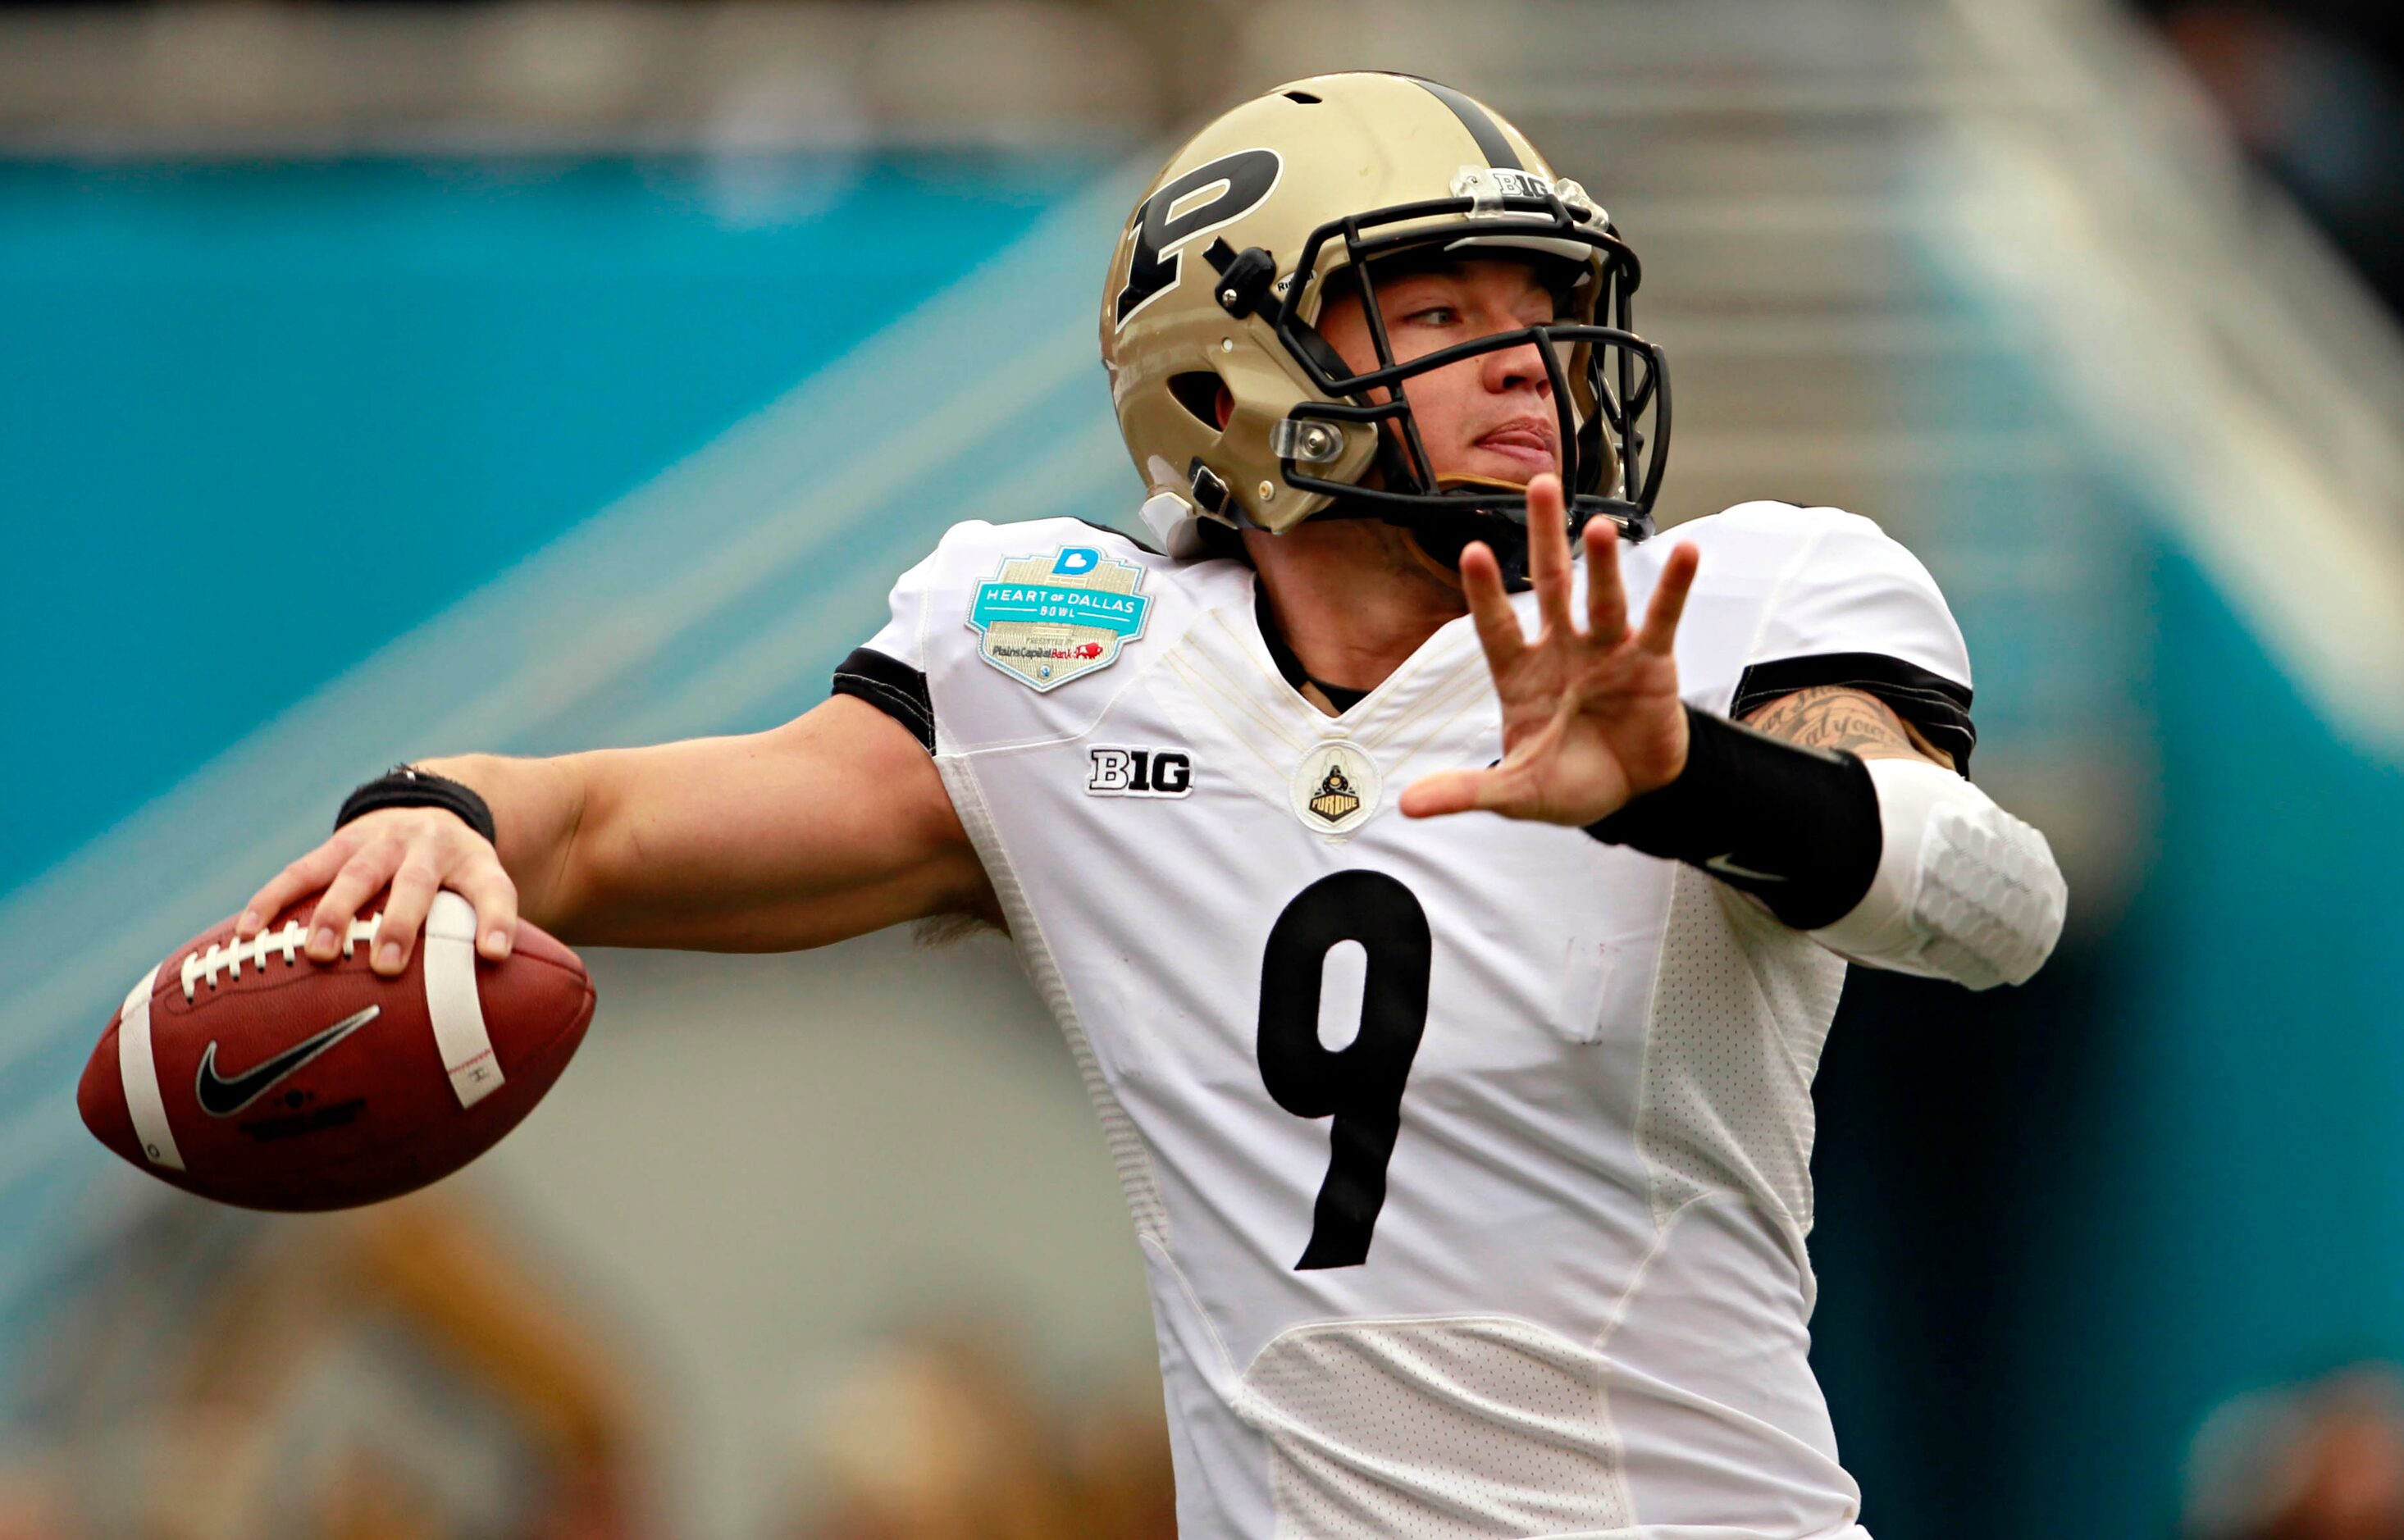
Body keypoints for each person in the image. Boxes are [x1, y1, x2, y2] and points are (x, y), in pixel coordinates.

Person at [239, 73, 2067, 1540]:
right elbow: (612, 826)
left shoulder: (1745, 602)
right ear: (1223, 386)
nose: (1526, 360)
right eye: (1441, 309)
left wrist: (1688, 780)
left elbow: (1988, 901)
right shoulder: (1062, 655)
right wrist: (443, 814)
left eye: (1545, 309)